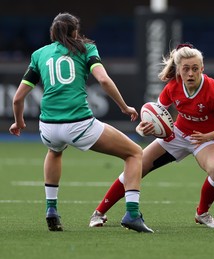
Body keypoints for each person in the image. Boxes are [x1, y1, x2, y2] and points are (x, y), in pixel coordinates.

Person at [9, 12, 153, 233]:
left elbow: (18, 98)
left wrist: (18, 122)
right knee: (134, 153)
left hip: (48, 127)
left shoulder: (39, 54)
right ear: (75, 32)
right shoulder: (85, 49)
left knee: (54, 152)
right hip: (79, 124)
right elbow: (103, 79)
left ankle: (51, 210)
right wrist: (124, 107)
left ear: (53, 33)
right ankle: (132, 214)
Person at [88, 43, 214, 228]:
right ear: (178, 70)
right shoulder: (173, 86)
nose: (190, 73)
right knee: (137, 165)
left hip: (206, 138)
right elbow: (157, 115)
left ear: (202, 68)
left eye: (195, 69)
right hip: (178, 134)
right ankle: (99, 212)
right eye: (186, 69)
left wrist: (208, 137)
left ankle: (202, 213)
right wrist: (145, 128)